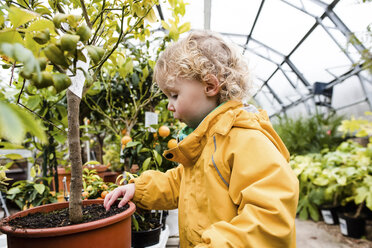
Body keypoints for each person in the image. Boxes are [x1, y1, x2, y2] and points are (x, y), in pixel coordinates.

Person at [104, 30, 299, 247]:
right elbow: (180, 183)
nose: (170, 105)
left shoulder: (247, 140)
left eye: (175, 95)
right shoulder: (205, 140)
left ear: (210, 86)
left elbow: (269, 218)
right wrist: (138, 189)